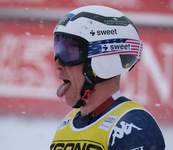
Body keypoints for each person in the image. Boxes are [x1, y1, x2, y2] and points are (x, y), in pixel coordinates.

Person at [51, 5, 165, 150]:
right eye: (58, 49)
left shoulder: (133, 125)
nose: (57, 64)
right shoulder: (67, 124)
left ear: (105, 60)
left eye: (69, 52)